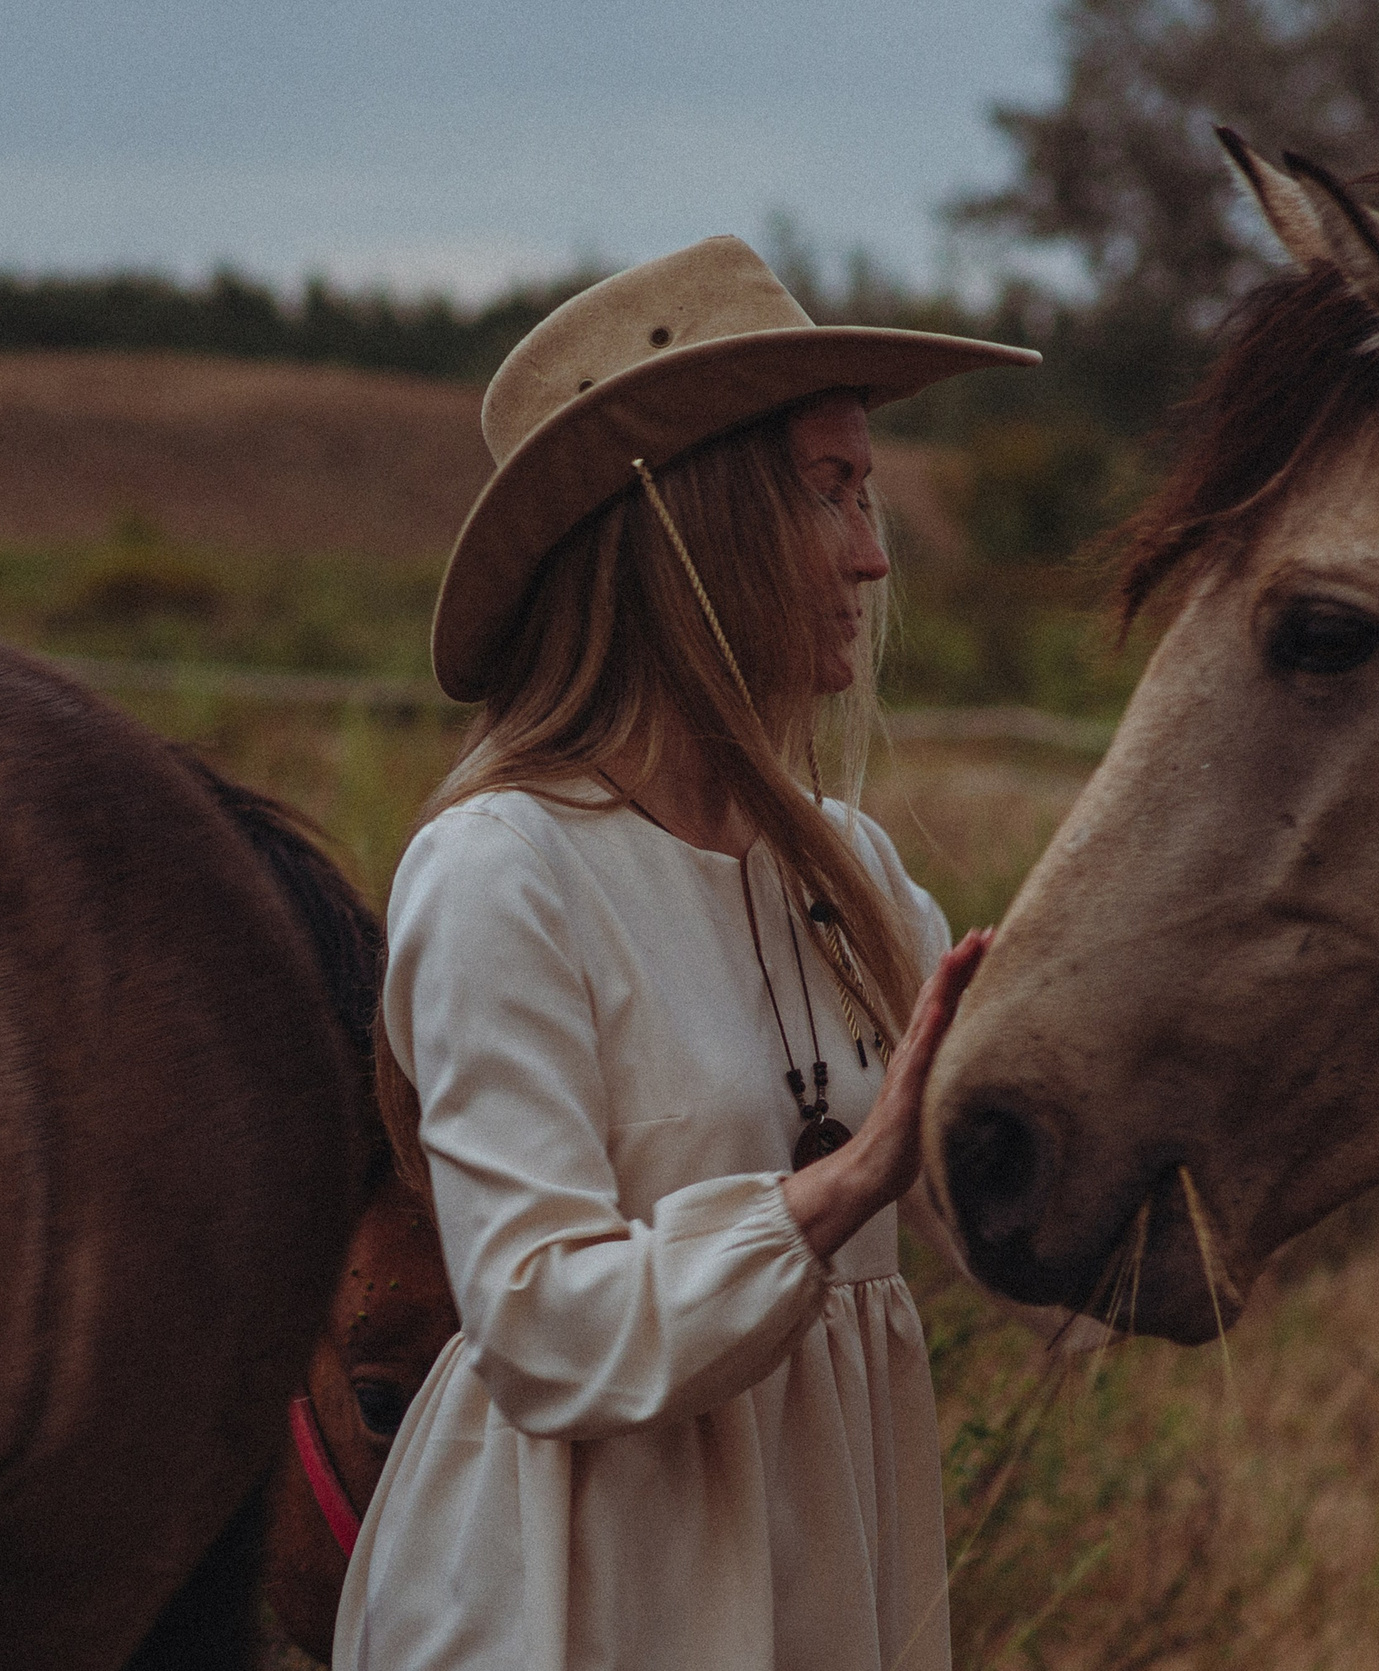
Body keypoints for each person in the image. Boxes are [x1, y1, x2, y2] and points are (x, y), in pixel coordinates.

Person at [332, 234, 1039, 1671]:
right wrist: (839, 1191)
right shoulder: (503, 871)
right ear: (695, 521)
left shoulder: (845, 865)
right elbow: (537, 1326)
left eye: (869, 490)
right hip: (578, 1604)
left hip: (817, 1585)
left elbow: (1008, 1213)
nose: (873, 551)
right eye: (830, 491)